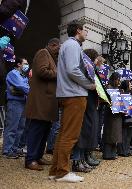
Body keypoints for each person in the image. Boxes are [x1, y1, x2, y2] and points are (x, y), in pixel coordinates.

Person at [49, 20, 96, 183]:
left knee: (63, 133)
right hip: (74, 94)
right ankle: (62, 172)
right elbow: (73, 70)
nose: (86, 33)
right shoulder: (73, 45)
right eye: (85, 30)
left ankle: (55, 170)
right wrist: (89, 84)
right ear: (78, 30)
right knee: (70, 135)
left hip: (67, 93)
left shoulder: (68, 45)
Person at [24, 38, 60, 170]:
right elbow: (41, 71)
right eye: (58, 48)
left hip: (47, 101)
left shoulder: (50, 56)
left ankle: (38, 156)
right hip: (41, 101)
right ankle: (30, 159)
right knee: (36, 130)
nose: (59, 52)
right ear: (53, 45)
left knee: (44, 131)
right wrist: (58, 73)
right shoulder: (43, 53)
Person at [72, 49, 101, 173]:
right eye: (96, 60)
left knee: (88, 131)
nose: (97, 63)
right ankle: (77, 160)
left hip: (90, 103)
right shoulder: (85, 66)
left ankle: (83, 158)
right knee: (82, 132)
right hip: (85, 101)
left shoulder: (90, 68)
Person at [2, 57, 29, 158]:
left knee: (20, 127)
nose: (27, 65)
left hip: (22, 102)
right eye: (25, 63)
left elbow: (25, 87)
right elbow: (23, 87)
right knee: (12, 127)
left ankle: (15, 148)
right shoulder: (13, 74)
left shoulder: (23, 76)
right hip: (15, 102)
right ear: (19, 64)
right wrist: (32, 92)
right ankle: (7, 150)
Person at [102, 72, 122, 160]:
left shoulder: (117, 89)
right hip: (110, 113)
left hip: (117, 114)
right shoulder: (108, 88)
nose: (119, 81)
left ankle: (113, 153)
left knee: (115, 135)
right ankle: (107, 154)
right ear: (114, 79)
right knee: (109, 134)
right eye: (118, 79)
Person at [117, 80, 132, 157]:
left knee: (129, 135)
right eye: (129, 84)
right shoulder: (122, 95)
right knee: (124, 134)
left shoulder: (131, 95)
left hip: (131, 117)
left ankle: (127, 150)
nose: (131, 85)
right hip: (124, 117)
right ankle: (123, 151)